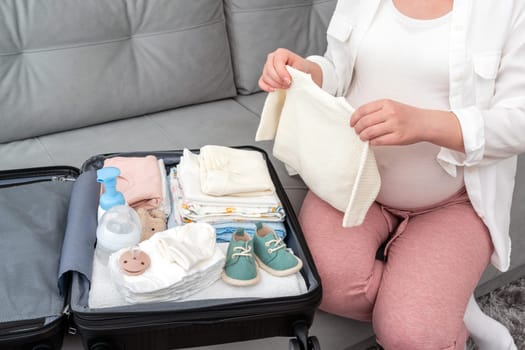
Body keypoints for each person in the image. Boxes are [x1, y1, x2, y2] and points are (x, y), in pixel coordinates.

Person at [258, 1, 525, 349]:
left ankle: (433, 310)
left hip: (454, 201)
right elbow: (340, 68)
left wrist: (425, 123)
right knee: (319, 282)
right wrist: (306, 71)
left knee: (413, 336)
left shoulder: (508, 9)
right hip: (352, 181)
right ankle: (453, 309)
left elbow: (519, 120)